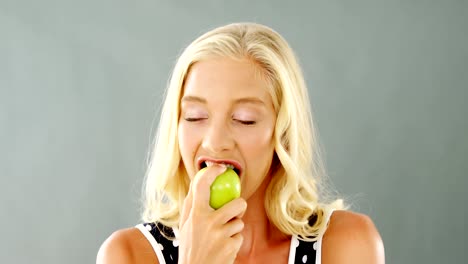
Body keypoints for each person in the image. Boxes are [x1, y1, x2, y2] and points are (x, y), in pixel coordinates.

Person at [97, 22, 385, 264]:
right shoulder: (128, 255)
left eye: (245, 119)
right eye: (195, 117)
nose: (215, 141)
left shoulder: (347, 245)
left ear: (281, 134)